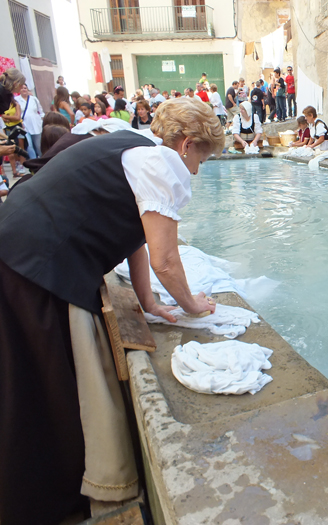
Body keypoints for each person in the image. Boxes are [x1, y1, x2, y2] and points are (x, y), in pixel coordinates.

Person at [0, 97, 224, 525]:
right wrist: (193, 305)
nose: (199, 167)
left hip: (18, 246)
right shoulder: (163, 165)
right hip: (34, 262)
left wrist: (150, 302)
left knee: (29, 379)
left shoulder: (131, 145)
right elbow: (164, 258)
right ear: (187, 145)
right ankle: (41, 501)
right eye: (203, 157)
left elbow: (134, 236)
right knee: (37, 385)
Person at [15, 83, 44, 159]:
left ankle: (41, 159)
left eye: (25, 88)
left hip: (36, 125)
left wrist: (41, 119)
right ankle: (33, 161)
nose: (24, 89)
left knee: (38, 145)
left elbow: (40, 111)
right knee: (29, 145)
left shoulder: (34, 99)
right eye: (22, 88)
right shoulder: (16, 100)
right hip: (25, 125)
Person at [2, 97, 29, 177]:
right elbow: (2, 118)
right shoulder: (3, 106)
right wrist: (8, 118)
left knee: (21, 147)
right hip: (8, 128)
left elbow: (18, 117)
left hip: (17, 127)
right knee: (10, 149)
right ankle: (14, 170)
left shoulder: (16, 104)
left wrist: (6, 117)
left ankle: (22, 166)